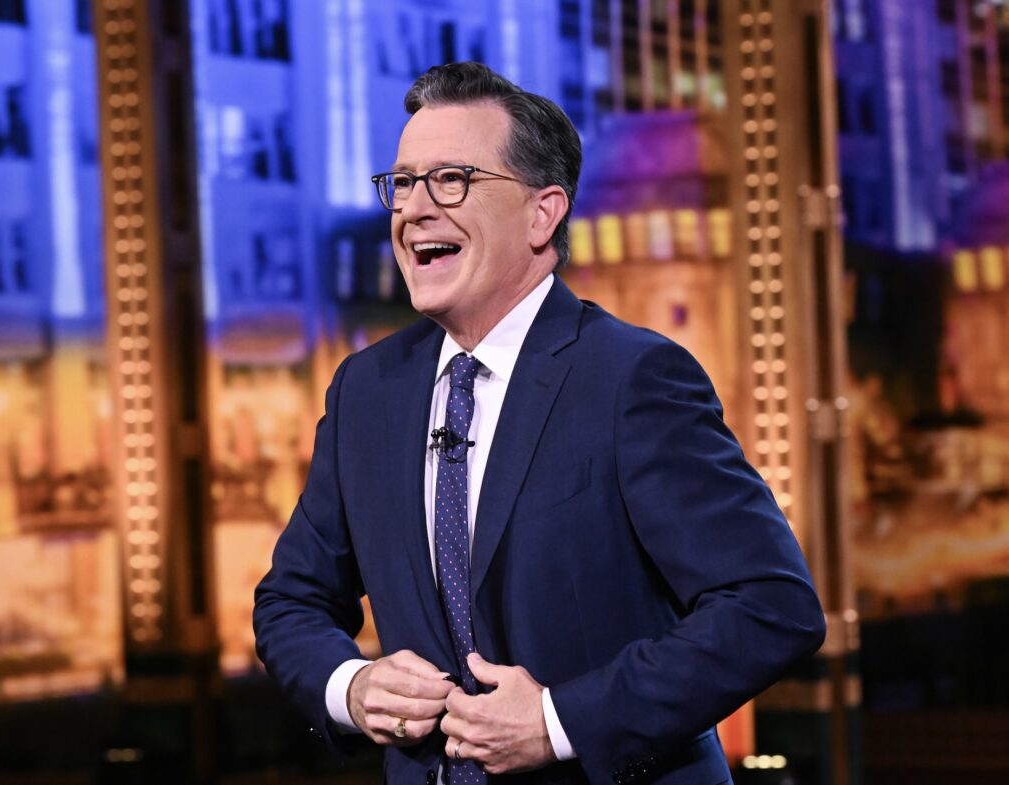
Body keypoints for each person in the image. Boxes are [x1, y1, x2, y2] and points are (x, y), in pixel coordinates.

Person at [254, 62, 825, 785]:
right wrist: (352, 686)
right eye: (403, 183)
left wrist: (560, 721)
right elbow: (291, 600)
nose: (414, 209)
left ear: (542, 213)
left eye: (451, 180)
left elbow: (770, 605)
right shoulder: (366, 392)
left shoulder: (632, 378)